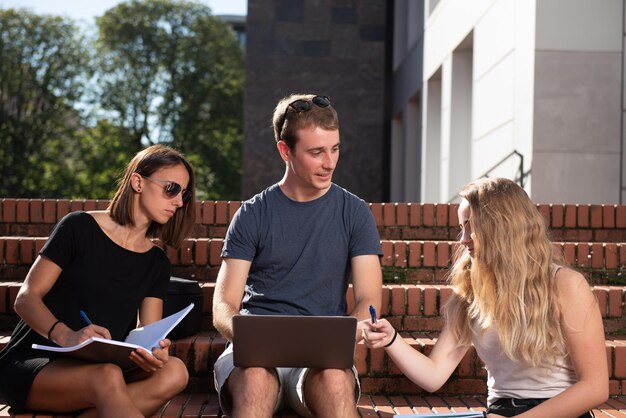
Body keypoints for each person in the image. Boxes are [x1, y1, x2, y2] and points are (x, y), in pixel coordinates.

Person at [361, 177, 608, 417]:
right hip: (500, 411)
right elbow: (434, 376)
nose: (463, 238)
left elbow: (595, 388)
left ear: (501, 225)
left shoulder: (566, 284)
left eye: (471, 225)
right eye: (461, 227)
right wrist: (392, 339)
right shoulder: (470, 293)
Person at [212, 93, 383, 418]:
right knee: (255, 379)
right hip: (255, 358)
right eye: (316, 152)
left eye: (335, 149)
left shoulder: (356, 213)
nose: (330, 162)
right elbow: (223, 306)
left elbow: (369, 300)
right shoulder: (252, 215)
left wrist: (351, 332)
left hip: (322, 361)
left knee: (335, 381)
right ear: (285, 150)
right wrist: (253, 340)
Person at [0, 144, 196, 417]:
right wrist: (66, 335)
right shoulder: (78, 227)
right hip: (38, 361)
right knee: (107, 377)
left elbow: (148, 332)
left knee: (175, 371)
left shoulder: (157, 262)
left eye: (184, 194)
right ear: (138, 182)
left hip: (102, 366)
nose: (179, 201)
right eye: (171, 189)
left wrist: (154, 351)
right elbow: (26, 298)